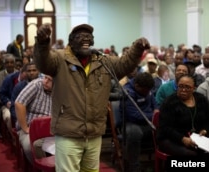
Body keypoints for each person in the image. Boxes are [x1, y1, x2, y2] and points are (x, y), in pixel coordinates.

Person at [33, 23, 150, 171]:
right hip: (69, 133)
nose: (86, 39)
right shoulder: (60, 58)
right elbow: (43, 63)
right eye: (80, 36)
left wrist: (137, 47)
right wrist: (43, 43)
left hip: (94, 133)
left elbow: (124, 64)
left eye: (89, 36)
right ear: (71, 41)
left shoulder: (102, 61)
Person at [157, 74, 209, 157]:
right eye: (180, 86)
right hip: (171, 139)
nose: (183, 90)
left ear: (194, 88)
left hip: (197, 139)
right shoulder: (169, 102)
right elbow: (165, 128)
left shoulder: (201, 99)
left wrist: (205, 130)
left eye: (187, 87)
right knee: (191, 155)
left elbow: (207, 119)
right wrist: (182, 139)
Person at [120, 72, 158, 172]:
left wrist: (156, 110)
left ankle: (159, 164)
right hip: (131, 123)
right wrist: (153, 115)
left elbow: (154, 103)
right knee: (134, 133)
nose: (147, 93)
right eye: (145, 91)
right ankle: (134, 167)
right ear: (137, 85)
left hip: (147, 120)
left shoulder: (147, 87)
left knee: (165, 127)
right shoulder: (128, 92)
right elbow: (134, 116)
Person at [15, 75, 53, 165]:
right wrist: (25, 128)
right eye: (45, 77)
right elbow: (19, 104)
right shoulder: (36, 85)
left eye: (49, 80)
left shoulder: (62, 90)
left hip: (51, 130)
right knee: (29, 146)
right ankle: (39, 168)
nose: (45, 81)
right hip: (30, 128)